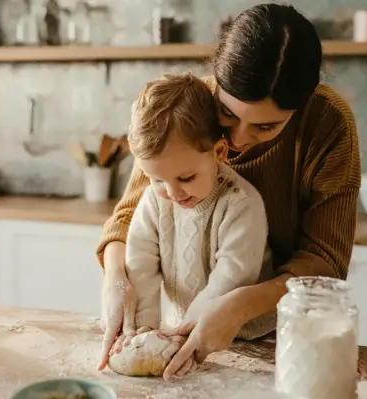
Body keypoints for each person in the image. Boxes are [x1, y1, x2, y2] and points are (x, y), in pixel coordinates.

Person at [97, 3, 361, 381]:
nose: (236, 141)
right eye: (228, 113)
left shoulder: (328, 123)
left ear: (302, 106)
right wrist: (115, 281)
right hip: (180, 329)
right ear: (216, 80)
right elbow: (130, 217)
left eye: (266, 127)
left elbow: (325, 261)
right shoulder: (187, 107)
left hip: (281, 333)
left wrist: (238, 305)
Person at [104, 73, 275, 376]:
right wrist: (142, 331)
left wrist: (187, 332)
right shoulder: (154, 200)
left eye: (186, 178)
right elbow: (141, 263)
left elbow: (230, 276)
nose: (173, 194)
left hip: (255, 340)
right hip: (180, 330)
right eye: (157, 179)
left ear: (219, 153)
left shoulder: (241, 204)